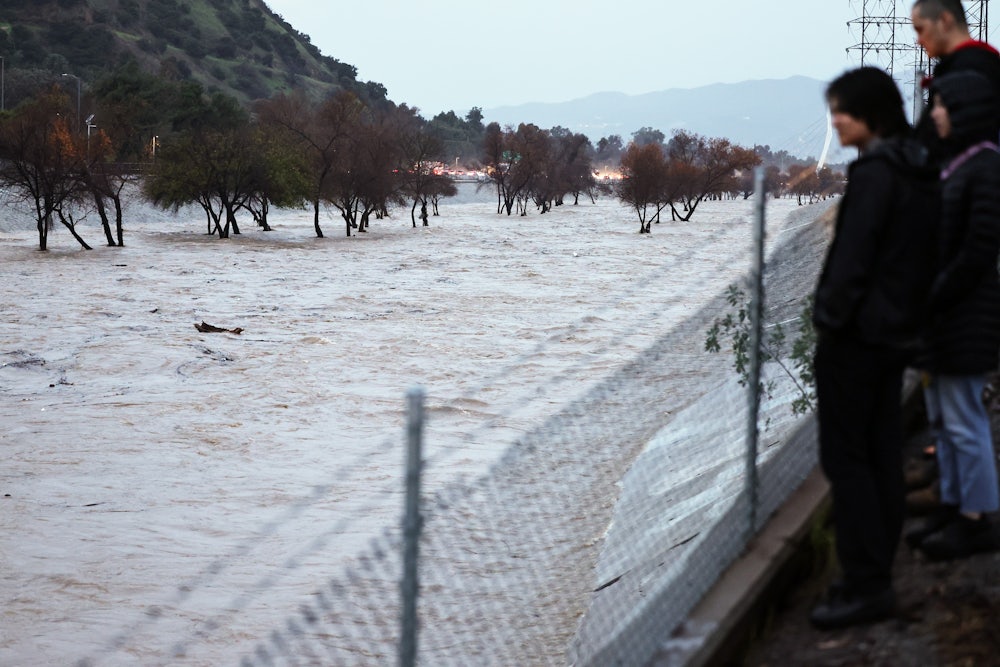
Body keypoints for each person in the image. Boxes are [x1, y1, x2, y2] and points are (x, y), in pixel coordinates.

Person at [809, 67, 940, 630]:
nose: (835, 120)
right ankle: (876, 575)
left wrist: (828, 320)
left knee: (848, 460)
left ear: (872, 113)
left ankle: (864, 583)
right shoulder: (918, 168)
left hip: (856, 340)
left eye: (842, 109)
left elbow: (852, 261)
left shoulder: (874, 174)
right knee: (882, 452)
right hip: (895, 336)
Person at [906, 71, 1000, 561]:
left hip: (965, 315)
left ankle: (977, 518)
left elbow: (978, 246)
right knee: (944, 420)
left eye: (940, 105)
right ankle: (954, 504)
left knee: (965, 420)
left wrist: (937, 293)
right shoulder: (957, 163)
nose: (934, 114)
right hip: (944, 315)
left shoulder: (984, 167)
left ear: (964, 111)